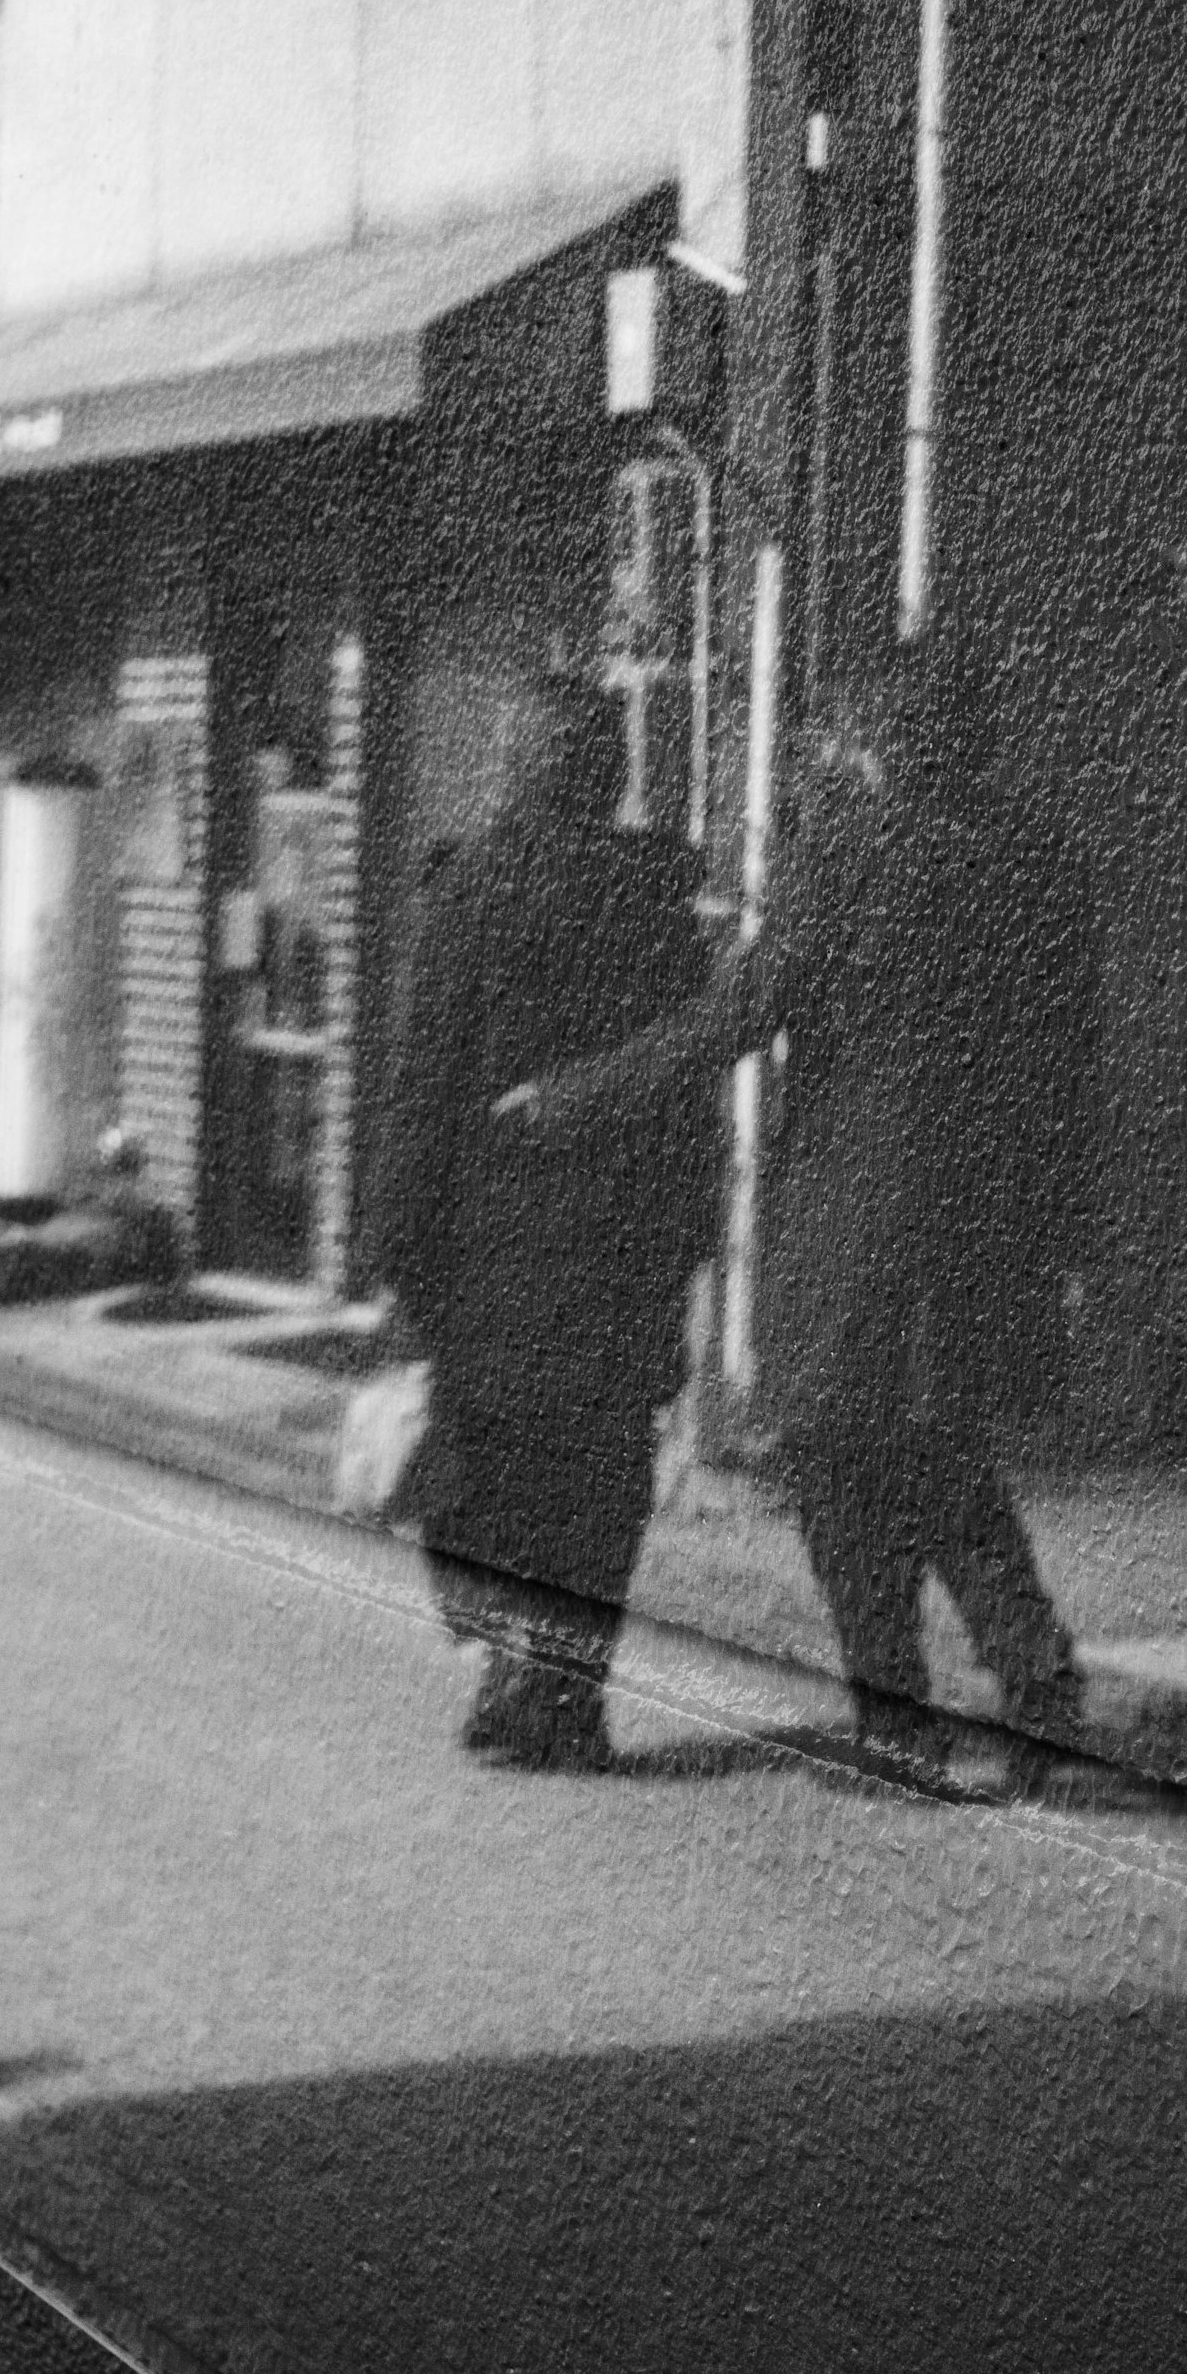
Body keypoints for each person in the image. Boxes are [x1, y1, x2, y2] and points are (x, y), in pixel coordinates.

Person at [494, 657, 1090, 1789]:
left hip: (855, 1233)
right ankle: (1039, 1689)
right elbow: (1075, 1069)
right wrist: (1067, 1244)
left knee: (835, 1464)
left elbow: (735, 1016)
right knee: (943, 1453)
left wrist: (572, 1097)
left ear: (883, 743)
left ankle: (899, 1720)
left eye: (856, 739)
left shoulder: (855, 857)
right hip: (987, 1231)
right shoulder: (1044, 867)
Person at [367, 672, 716, 1769]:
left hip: (493, 1254)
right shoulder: (660, 896)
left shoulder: (468, 890)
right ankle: (569, 1695)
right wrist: (688, 1236)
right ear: (608, 770)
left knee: (485, 1475)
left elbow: (423, 1086)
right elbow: (686, 1082)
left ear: (515, 763)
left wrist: (400, 1246)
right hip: (623, 1248)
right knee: (603, 1483)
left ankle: (508, 1666)